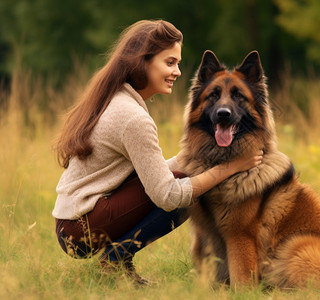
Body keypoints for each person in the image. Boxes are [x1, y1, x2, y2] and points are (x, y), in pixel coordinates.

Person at [52, 20, 263, 286]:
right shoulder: (133, 118)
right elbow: (168, 195)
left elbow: (152, 171)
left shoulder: (118, 99)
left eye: (178, 63)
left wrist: (198, 158)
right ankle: (114, 261)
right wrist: (230, 168)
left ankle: (117, 265)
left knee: (185, 174)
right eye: (170, 62)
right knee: (191, 192)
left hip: (73, 221)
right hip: (80, 230)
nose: (177, 71)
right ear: (143, 61)